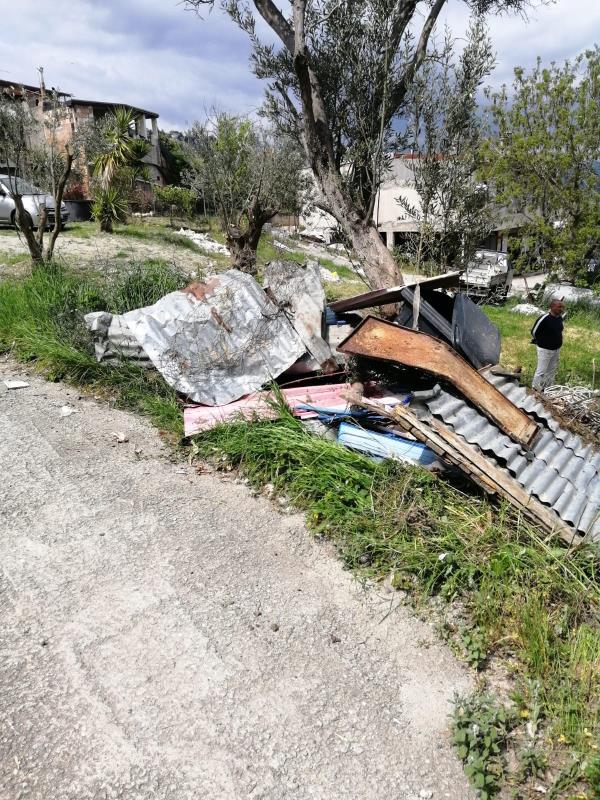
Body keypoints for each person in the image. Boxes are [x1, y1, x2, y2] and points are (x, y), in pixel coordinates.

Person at [531, 299, 564, 391]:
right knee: (541, 370)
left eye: (562, 307)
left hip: (556, 349)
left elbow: (559, 330)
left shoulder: (559, 318)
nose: (561, 309)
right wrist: (542, 341)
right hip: (545, 349)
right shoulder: (544, 318)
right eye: (559, 307)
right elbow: (534, 332)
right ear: (552, 307)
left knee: (551, 370)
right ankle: (535, 388)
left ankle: (548, 389)